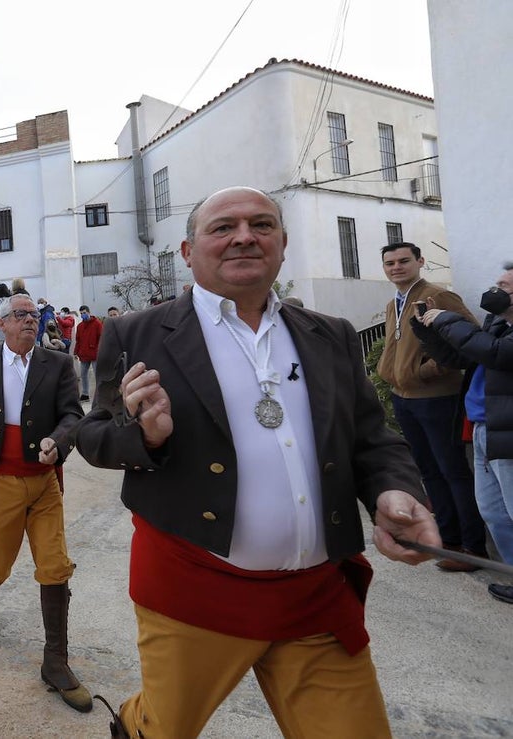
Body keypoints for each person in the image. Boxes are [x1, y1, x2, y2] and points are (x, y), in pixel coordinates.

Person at [75, 187, 439, 738]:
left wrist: (394, 489)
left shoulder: (329, 334)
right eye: (223, 228)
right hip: (194, 590)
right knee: (164, 728)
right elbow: (95, 434)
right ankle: (135, 720)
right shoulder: (139, 333)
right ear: (187, 251)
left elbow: (370, 436)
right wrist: (145, 436)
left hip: (315, 597)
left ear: (283, 245)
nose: (244, 236)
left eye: (261, 225)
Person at [0, 294, 91, 713]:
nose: (30, 320)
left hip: (44, 480)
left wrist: (59, 442)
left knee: (55, 564)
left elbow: (72, 415)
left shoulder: (58, 363)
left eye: (33, 315)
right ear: (1, 325)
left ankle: (55, 661)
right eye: (20, 315)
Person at [377, 242, 488, 569]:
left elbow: (469, 339)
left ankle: (473, 548)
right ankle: (447, 541)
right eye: (389, 263)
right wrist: (393, 374)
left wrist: (429, 370)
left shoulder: (437, 296)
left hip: (437, 399)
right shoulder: (394, 303)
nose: (396, 267)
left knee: (452, 470)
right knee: (428, 471)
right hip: (405, 398)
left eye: (403, 261)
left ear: (420, 262)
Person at [414, 264, 513, 605]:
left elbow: (495, 353)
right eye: (496, 283)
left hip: (507, 432)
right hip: (483, 429)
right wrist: (427, 329)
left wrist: (445, 319)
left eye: (505, 286)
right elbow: (464, 356)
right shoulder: (498, 323)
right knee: (494, 511)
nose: (496, 291)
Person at [73, 305, 102, 402]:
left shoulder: (97, 323)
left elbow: (101, 338)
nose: (83, 315)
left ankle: (100, 394)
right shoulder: (80, 326)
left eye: (84, 313)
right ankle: (85, 394)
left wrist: (99, 350)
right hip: (84, 354)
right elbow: (78, 340)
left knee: (97, 374)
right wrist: (76, 352)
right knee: (83, 374)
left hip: (95, 353)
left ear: (89, 312)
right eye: (81, 313)